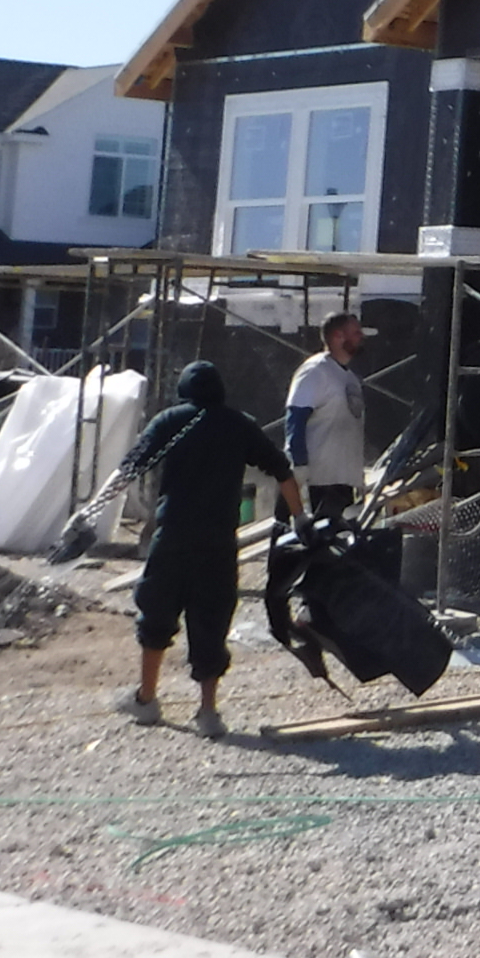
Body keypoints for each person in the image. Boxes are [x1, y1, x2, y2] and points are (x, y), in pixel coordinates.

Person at [122, 361, 300, 737]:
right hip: (219, 541)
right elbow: (283, 471)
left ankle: (147, 699)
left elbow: (130, 467)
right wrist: (300, 519)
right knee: (212, 619)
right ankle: (208, 713)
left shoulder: (169, 420)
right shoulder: (239, 424)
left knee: (156, 613)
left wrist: (91, 516)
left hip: (173, 536)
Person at [285, 313, 372, 521]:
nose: (361, 336)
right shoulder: (316, 371)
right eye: (356, 332)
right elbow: (296, 417)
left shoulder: (349, 378)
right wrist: (299, 466)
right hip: (320, 481)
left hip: (344, 481)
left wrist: (358, 477)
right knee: (321, 535)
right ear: (338, 336)